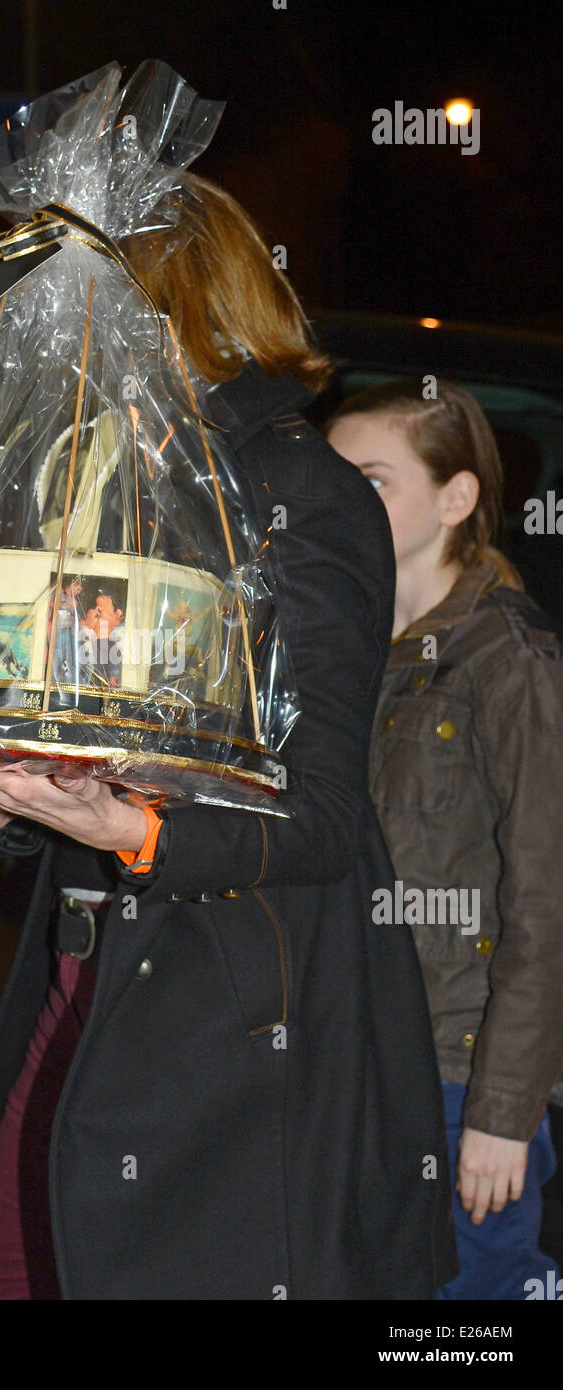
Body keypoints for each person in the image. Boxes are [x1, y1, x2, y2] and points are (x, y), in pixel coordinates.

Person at [0, 174, 457, 1300]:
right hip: (86, 986)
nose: (41, 346)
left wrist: (131, 826)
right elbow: (83, 748)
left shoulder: (297, 489)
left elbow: (322, 814)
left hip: (242, 1038)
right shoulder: (95, 482)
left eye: (64, 305)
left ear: (166, 304)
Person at [327, 378, 563, 1300]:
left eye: (372, 480)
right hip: (363, 1056)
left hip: (461, 1076)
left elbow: (547, 902)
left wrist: (502, 1116)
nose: (343, 501)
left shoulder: (508, 660)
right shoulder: (347, 652)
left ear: (454, 499)